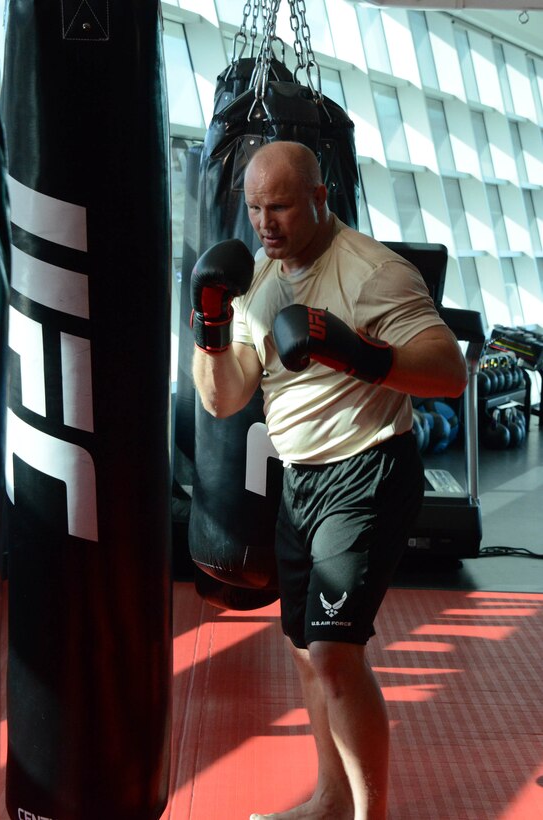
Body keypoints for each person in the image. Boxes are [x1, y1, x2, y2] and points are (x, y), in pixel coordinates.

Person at [190, 140, 467, 820]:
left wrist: (355, 352)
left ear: (320, 197)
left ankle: (368, 815)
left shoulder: (372, 272)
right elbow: (224, 400)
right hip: (300, 480)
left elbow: (447, 373)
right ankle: (328, 803)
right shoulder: (256, 274)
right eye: (254, 208)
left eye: (280, 206)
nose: (264, 224)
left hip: (367, 469)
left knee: (332, 653)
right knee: (304, 654)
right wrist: (211, 326)